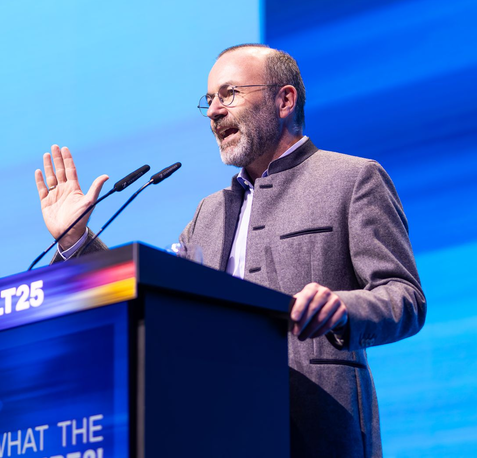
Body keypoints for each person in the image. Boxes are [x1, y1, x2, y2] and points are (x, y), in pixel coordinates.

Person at [33, 44, 426, 457]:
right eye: (209, 100)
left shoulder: (352, 179)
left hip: (316, 433)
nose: (214, 111)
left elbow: (405, 297)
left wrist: (343, 308)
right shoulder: (209, 212)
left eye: (229, 94)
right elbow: (154, 302)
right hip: (215, 430)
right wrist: (77, 239)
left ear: (284, 100)